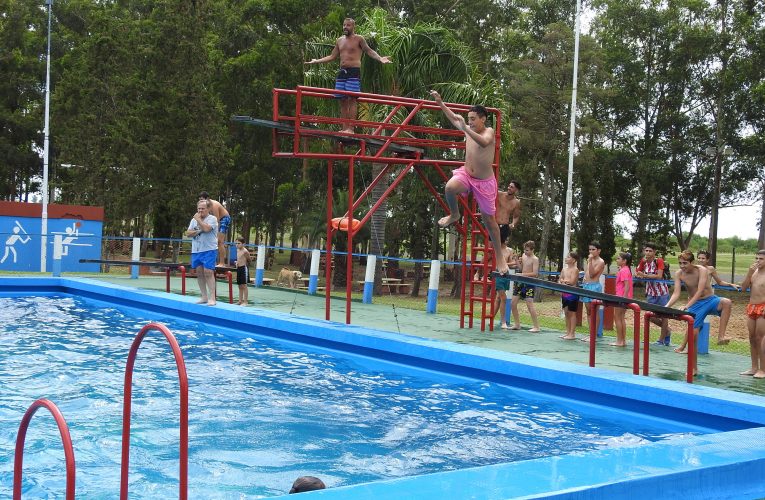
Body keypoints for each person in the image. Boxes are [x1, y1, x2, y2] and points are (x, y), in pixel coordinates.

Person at [429, 90, 509, 276]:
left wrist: (466, 128)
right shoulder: (469, 128)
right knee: (449, 187)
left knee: (489, 221)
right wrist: (441, 103)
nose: (470, 121)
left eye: (473, 119)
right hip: (467, 175)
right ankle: (455, 214)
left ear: (483, 119)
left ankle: (499, 257)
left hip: (484, 182)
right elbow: (454, 119)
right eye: (469, 119)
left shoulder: (488, 132)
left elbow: (483, 143)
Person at [305, 18, 392, 133]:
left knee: (352, 99)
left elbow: (369, 51)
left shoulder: (359, 39)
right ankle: (344, 128)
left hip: (353, 71)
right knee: (342, 100)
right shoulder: (339, 40)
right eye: (344, 25)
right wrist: (316, 61)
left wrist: (380, 58)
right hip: (342, 72)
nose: (345, 27)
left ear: (353, 27)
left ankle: (351, 128)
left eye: (348, 25)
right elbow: (332, 56)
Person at [666, 251, 720, 375]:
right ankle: (693, 367)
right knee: (693, 334)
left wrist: (686, 306)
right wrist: (667, 306)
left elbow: (701, 290)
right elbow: (676, 293)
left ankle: (721, 336)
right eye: (680, 263)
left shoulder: (703, 270)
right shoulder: (679, 273)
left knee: (726, 303)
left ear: (692, 262)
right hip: (695, 304)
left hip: (708, 299)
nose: (682, 265)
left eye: (685, 263)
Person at [636, 242, 672, 346]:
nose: (647, 253)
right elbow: (638, 272)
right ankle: (667, 331)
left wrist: (645, 275)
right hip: (650, 293)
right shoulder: (643, 261)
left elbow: (659, 276)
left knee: (664, 316)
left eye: (650, 251)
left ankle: (661, 340)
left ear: (654, 252)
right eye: (646, 250)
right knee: (650, 316)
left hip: (662, 293)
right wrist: (639, 275)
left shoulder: (659, 261)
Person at [185, 199, 218, 305]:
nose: (200, 211)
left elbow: (207, 229)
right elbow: (188, 233)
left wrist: (199, 220)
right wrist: (198, 230)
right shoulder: (193, 220)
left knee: (208, 272)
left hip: (209, 249)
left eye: (202, 209)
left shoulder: (212, 218)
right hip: (196, 250)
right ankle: (204, 297)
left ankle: (212, 297)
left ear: (208, 209)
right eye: (198, 208)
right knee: (199, 272)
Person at [740, 250, 765, 378]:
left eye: (761, 259)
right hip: (752, 306)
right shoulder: (754, 273)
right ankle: (754, 367)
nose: (758, 261)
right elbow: (743, 289)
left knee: (761, 338)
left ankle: (763, 369)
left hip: (763, 307)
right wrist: (749, 273)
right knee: (752, 338)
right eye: (757, 258)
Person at [509, 240, 540, 332]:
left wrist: (522, 275)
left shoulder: (535, 259)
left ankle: (536, 327)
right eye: (524, 250)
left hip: (529, 283)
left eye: (527, 250)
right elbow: (521, 268)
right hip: (520, 282)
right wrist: (516, 260)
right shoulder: (523, 256)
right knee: (513, 303)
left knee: (529, 304)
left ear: (532, 250)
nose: (525, 252)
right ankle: (517, 324)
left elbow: (535, 273)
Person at [580, 241, 605, 340]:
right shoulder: (589, 260)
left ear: (598, 250)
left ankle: (594, 335)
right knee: (588, 311)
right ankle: (591, 333)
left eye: (593, 249)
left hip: (594, 287)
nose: (591, 251)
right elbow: (587, 273)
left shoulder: (600, 261)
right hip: (586, 286)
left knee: (595, 311)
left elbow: (592, 274)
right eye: (590, 249)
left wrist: (590, 261)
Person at [199, 192, 231, 267]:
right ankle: (212, 261)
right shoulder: (205, 206)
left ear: (207, 199)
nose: (201, 201)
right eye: (199, 200)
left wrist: (216, 234)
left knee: (220, 242)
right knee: (212, 241)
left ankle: (222, 263)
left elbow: (216, 221)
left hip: (224, 219)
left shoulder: (214, 205)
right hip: (217, 221)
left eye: (202, 199)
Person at [493, 242, 518, 329]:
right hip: (498, 273)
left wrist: (505, 264)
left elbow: (513, 263)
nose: (506, 241)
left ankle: (491, 318)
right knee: (504, 298)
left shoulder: (509, 250)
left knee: (498, 298)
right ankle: (503, 321)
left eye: (507, 239)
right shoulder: (496, 248)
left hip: (506, 274)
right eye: (505, 239)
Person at [612, 252, 634, 347]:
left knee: (617, 317)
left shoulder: (624, 270)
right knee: (621, 318)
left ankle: (619, 340)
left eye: (618, 258)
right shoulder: (625, 270)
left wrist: (623, 298)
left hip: (621, 297)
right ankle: (622, 340)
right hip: (623, 297)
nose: (617, 260)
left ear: (624, 261)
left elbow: (627, 285)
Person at [558, 251, 580, 340]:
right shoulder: (564, 269)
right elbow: (560, 280)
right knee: (566, 312)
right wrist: (563, 281)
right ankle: (567, 332)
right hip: (564, 293)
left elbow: (572, 282)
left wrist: (564, 281)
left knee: (572, 313)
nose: (566, 258)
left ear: (574, 260)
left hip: (572, 294)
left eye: (568, 257)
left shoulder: (575, 270)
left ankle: (572, 333)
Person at [496, 180, 522, 245]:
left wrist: (513, 224)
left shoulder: (516, 202)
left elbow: (516, 216)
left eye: (511, 187)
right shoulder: (499, 194)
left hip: (504, 227)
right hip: (494, 224)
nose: (509, 188)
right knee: (490, 247)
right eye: (509, 186)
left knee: (500, 249)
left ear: (516, 190)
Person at [235, 238, 251, 306]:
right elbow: (239, 258)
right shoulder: (237, 250)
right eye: (236, 243)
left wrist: (244, 263)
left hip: (244, 268)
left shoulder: (245, 251)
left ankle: (245, 301)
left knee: (244, 285)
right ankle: (240, 301)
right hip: (238, 268)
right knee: (239, 285)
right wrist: (237, 262)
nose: (237, 245)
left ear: (243, 244)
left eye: (239, 243)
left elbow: (249, 260)